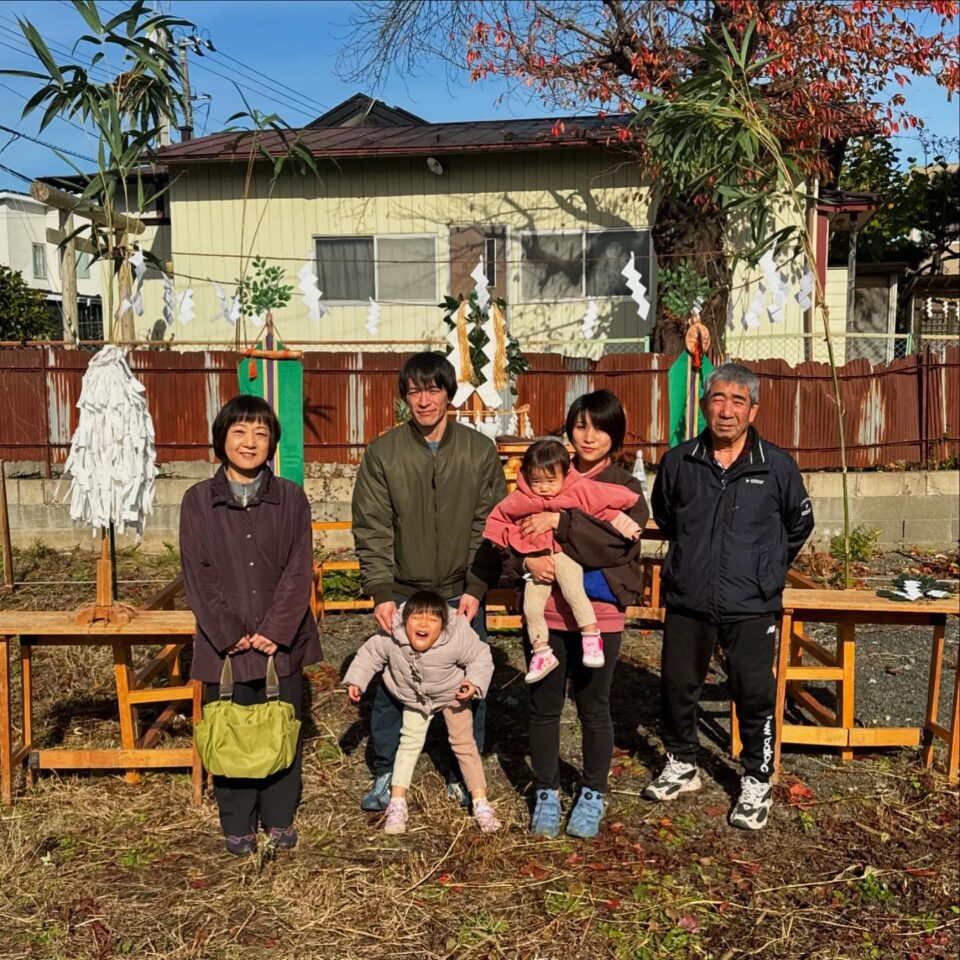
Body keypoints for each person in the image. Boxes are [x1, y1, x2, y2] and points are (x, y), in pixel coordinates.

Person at [646, 362, 814, 831]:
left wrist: (767, 568)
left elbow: (799, 524)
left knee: (753, 693)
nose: (726, 410)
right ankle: (682, 762)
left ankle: (757, 779)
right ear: (704, 405)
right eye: (717, 399)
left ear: (753, 409)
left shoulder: (776, 465)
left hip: (751, 602)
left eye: (737, 401)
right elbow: (667, 516)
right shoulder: (681, 462)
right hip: (689, 597)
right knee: (678, 686)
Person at [351, 352, 505, 812]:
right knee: (392, 683)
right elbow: (372, 526)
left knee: (468, 683)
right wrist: (381, 591)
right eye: (414, 391)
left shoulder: (479, 452)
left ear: (448, 394)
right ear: (405, 398)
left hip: (460, 591)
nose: (424, 400)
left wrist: (476, 588)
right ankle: (385, 769)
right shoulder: (384, 454)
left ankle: (464, 771)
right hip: (404, 589)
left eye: (433, 389)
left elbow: (491, 525)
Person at [180, 395, 321, 856]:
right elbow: (196, 572)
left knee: (281, 726)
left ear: (272, 444)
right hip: (228, 646)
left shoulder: (291, 499)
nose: (250, 442)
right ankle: (237, 820)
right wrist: (231, 632)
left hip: (281, 641)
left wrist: (276, 629)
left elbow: (300, 568)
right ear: (221, 439)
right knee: (233, 730)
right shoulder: (198, 501)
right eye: (239, 432)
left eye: (261, 434)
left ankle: (279, 816)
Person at [513, 390, 649, 839]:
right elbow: (509, 533)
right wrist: (527, 563)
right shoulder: (545, 474)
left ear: (616, 434)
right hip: (546, 614)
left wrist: (559, 524)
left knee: (594, 707)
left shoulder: (625, 487)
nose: (588, 436)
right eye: (580, 426)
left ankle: (592, 792)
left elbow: (617, 544)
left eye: (599, 427)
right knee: (544, 706)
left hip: (601, 614)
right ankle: (547, 791)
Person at [484, 438, 642, 683]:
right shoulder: (521, 498)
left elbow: (607, 506)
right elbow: (500, 519)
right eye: (536, 481)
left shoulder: (578, 490)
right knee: (531, 606)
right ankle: (541, 650)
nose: (544, 488)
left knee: (573, 590)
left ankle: (590, 634)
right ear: (526, 476)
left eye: (551, 481)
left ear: (565, 475)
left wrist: (629, 526)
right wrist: (503, 542)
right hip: (537, 559)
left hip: (564, 555)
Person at [343, 591, 501, 835]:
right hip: (415, 696)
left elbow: (481, 656)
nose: (424, 624)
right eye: (417, 617)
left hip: (453, 693)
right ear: (405, 619)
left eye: (432, 619)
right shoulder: (392, 637)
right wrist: (357, 680)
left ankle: (480, 801)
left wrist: (474, 683)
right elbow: (370, 654)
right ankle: (397, 803)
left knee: (464, 744)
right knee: (409, 742)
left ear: (444, 625)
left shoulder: (457, 636)